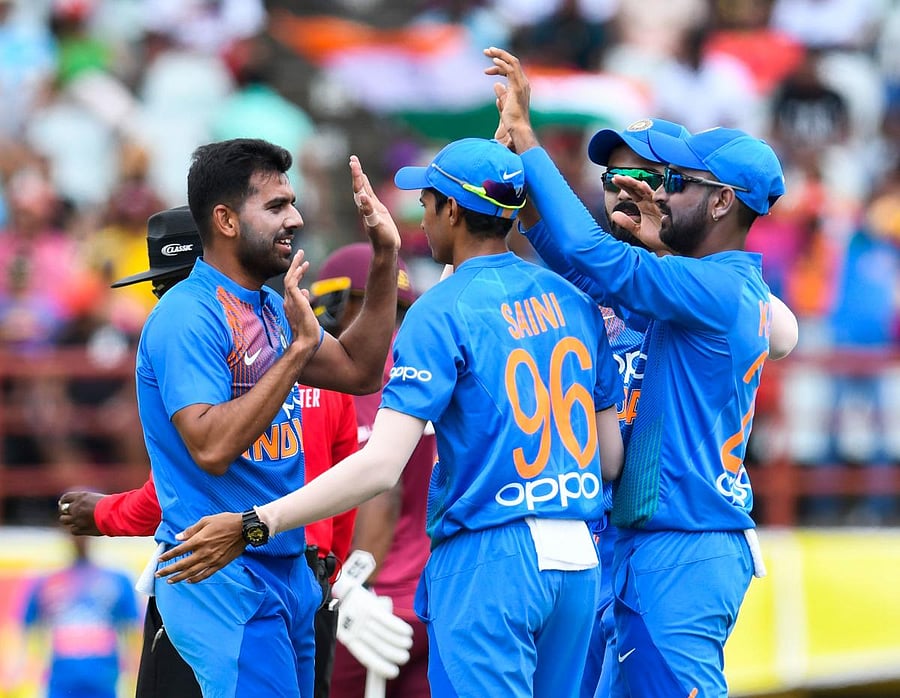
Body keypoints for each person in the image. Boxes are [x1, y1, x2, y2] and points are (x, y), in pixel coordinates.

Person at [155, 136, 626, 698]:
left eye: (426, 202)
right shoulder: (573, 300)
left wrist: (258, 523)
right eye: (278, 205)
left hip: (488, 558)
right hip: (577, 554)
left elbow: (378, 456)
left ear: (452, 209)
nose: (421, 217)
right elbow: (610, 458)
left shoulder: (438, 310)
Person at [484, 47, 785, 698]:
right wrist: (522, 167)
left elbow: (594, 255)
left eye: (676, 182)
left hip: (682, 540)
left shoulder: (712, 287)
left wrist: (534, 145)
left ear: (721, 203)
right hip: (658, 541)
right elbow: (579, 260)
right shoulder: (708, 282)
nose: (652, 190)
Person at [58, 204, 387, 698]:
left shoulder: (232, 367)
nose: (168, 305)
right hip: (305, 583)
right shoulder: (296, 349)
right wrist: (331, 574)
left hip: (223, 578)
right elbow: (347, 490)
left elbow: (176, 491)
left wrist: (103, 512)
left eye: (174, 286)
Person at [139, 138, 400, 698]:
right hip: (224, 579)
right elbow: (209, 446)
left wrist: (384, 258)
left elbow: (360, 371)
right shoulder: (188, 314)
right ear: (226, 219)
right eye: (277, 206)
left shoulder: (266, 308)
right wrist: (296, 352)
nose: (296, 218)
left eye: (293, 203)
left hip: (286, 570)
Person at [309, 242, 435, 698]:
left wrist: (349, 587)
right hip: (432, 604)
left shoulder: (353, 378)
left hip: (364, 603)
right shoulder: (433, 370)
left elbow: (380, 492)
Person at [19, 533, 140, 698]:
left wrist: (134, 673)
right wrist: (29, 669)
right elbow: (27, 627)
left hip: (105, 678)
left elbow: (133, 629)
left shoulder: (117, 580)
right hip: (60, 679)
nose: (79, 538)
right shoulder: (46, 581)